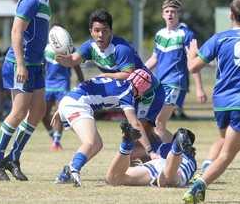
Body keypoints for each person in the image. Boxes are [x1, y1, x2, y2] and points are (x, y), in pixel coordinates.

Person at [0, 0, 67, 181]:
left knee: (39, 111)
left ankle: (13, 157)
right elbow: (16, 32)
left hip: (36, 64)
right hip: (19, 64)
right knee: (19, 112)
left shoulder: (46, 1)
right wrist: (20, 64)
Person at [56, 8, 165, 158]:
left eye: (105, 30)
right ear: (91, 31)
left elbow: (128, 74)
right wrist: (61, 56)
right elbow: (73, 60)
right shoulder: (90, 47)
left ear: (111, 31)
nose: (101, 35)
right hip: (131, 93)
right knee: (136, 135)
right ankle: (153, 160)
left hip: (149, 93)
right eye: (97, 30)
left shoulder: (121, 48)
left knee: (142, 131)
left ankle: (167, 156)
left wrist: (105, 75)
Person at [182, 0, 240, 204]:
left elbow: (193, 67)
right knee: (227, 155)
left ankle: (204, 170)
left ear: (231, 15)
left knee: (223, 142)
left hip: (221, 101)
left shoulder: (219, 38)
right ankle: (198, 186)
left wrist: (191, 54)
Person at [53, 69, 159, 187]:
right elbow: (135, 124)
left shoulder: (116, 82)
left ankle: (67, 173)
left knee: (97, 144)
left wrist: (64, 104)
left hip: (70, 101)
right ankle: (73, 170)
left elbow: (88, 83)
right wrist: (150, 151)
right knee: (90, 142)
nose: (143, 94)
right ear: (140, 88)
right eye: (144, 91)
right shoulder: (127, 93)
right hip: (77, 105)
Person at [145, 0, 207, 143]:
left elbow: (193, 61)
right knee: (154, 124)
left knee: (158, 123)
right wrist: (137, 72)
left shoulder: (186, 34)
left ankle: (179, 155)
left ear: (179, 14)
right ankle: (178, 151)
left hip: (175, 83)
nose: (170, 14)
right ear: (162, 15)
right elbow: (155, 58)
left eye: (173, 11)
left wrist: (199, 88)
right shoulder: (160, 34)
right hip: (159, 84)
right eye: (167, 11)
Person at [105, 123, 196, 188]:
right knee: (168, 181)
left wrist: (131, 157)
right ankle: (176, 148)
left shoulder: (165, 146)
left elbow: (139, 152)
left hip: (157, 165)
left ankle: (126, 145)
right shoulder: (192, 161)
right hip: (174, 168)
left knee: (114, 178)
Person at [43, 39, 84, 151]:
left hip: (62, 83)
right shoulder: (45, 48)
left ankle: (56, 141)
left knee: (60, 112)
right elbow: (41, 65)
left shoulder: (69, 48)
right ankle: (54, 137)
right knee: (43, 114)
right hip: (48, 84)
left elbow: (76, 66)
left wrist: (82, 81)